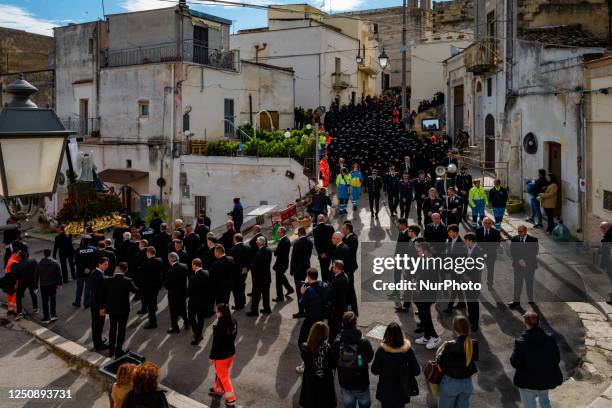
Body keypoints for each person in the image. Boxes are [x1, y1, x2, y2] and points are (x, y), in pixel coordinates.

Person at [510, 311, 563, 408]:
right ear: (538, 322)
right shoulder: (550, 338)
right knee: (545, 402)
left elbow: (514, 362)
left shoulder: (520, 342)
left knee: (529, 405)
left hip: (527, 381)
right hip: (546, 379)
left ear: (525, 323)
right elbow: (557, 358)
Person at [371, 322, 421, 408]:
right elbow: (417, 371)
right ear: (400, 335)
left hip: (386, 391)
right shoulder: (408, 351)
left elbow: (374, 370)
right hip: (402, 392)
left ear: (386, 334)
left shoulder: (381, 351)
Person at [332, 312, 374, 408]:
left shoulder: (337, 342)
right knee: (365, 405)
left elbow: (334, 358)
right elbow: (369, 358)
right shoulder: (363, 342)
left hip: (345, 381)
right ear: (355, 324)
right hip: (361, 382)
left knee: (349, 405)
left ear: (342, 324)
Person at [438, 315, 479, 408]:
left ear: (455, 328)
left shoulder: (450, 345)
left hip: (451, 382)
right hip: (467, 382)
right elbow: (475, 358)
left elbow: (441, 362)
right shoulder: (474, 343)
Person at [102, 262, 139, 358]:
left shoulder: (108, 280)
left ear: (117, 268)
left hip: (112, 309)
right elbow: (136, 291)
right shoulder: (128, 281)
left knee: (112, 329)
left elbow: (104, 294)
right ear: (126, 270)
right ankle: (118, 352)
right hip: (123, 309)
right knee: (121, 330)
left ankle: (111, 350)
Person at [299, 322, 337, 408]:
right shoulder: (327, 348)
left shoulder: (304, 347)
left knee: (311, 401)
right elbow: (333, 364)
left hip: (310, 380)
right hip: (325, 381)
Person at [209, 303, 239, 406]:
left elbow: (215, 344)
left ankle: (231, 399)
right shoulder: (233, 322)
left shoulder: (219, 327)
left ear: (220, 313)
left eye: (217, 311)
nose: (216, 313)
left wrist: (212, 357)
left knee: (224, 377)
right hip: (231, 353)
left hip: (221, 356)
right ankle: (218, 389)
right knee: (221, 373)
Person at [508, 225, 539, 308]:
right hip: (518, 266)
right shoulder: (515, 239)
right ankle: (516, 301)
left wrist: (526, 261)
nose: (519, 233)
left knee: (529, 283)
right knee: (517, 284)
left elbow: (534, 252)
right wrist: (519, 260)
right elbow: (512, 251)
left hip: (529, 266)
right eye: (518, 231)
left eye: (521, 231)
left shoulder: (533, 240)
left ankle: (530, 299)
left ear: (525, 231)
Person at [188, 258, 213, 345]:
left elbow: (189, 292)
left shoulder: (193, 278)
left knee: (191, 317)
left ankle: (197, 335)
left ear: (195, 265)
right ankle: (199, 334)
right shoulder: (207, 273)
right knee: (201, 318)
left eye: (192, 265)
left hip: (194, 302)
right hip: (204, 301)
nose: (192, 266)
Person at [138, 247, 164, 329]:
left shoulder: (145, 263)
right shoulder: (160, 260)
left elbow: (142, 276)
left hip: (148, 287)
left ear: (148, 253)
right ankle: (155, 306)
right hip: (156, 285)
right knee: (154, 299)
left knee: (150, 305)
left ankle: (153, 322)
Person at [463, 233, 484, 331]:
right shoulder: (466, 249)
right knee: (469, 300)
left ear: (471, 241)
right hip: (465, 280)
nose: (464, 242)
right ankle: (470, 317)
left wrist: (469, 277)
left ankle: (474, 321)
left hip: (474, 281)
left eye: (466, 240)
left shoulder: (479, 251)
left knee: (474, 301)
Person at [247, 236, 272, 316]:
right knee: (265, 294)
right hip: (267, 277)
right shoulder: (268, 250)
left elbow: (255, 267)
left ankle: (254, 311)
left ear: (259, 243)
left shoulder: (258, 254)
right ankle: (267, 308)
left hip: (259, 279)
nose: (256, 243)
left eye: (257, 241)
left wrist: (249, 266)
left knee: (256, 295)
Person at [291, 226, 313, 318]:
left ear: (299, 233)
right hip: (307, 268)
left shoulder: (297, 243)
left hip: (298, 270)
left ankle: (301, 311)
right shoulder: (310, 242)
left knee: (299, 291)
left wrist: (292, 270)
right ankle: (308, 308)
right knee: (306, 288)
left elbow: (294, 258)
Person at [164, 252, 189, 333]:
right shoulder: (185, 266)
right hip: (183, 292)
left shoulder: (170, 271)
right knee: (183, 308)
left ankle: (175, 328)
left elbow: (167, 285)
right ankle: (186, 323)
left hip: (173, 295)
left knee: (173, 312)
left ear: (170, 260)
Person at [36, 249, 63, 324]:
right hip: (52, 284)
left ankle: (46, 317)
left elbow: (36, 276)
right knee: (52, 299)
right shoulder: (55, 263)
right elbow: (59, 274)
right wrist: (59, 284)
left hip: (43, 285)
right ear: (50, 254)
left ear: (44, 254)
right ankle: (53, 314)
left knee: (45, 301)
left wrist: (35, 286)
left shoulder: (39, 264)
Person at [476, 217, 501, 289]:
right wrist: (482, 250)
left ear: (491, 224)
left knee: (490, 270)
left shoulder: (496, 232)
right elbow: (477, 242)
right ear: (483, 223)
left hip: (491, 254)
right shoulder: (478, 230)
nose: (487, 225)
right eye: (485, 223)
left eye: (489, 223)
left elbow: (497, 244)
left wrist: (488, 250)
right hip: (480, 253)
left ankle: (490, 283)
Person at [90, 257, 109, 351]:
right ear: (100, 264)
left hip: (94, 303)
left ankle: (98, 340)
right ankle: (98, 345)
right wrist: (102, 307)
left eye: (107, 264)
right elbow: (100, 294)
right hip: (99, 306)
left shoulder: (95, 272)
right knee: (98, 324)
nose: (107, 266)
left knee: (96, 323)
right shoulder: (99, 276)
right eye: (105, 264)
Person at [328, 260, 350, 341]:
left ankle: (332, 342)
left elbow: (331, 294)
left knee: (334, 327)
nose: (332, 268)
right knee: (338, 325)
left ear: (337, 268)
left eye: (333, 267)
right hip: (342, 304)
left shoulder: (337, 280)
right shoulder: (344, 275)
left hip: (336, 307)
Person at [73, 236, 97, 308]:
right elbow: (95, 260)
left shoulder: (78, 250)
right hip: (90, 272)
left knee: (79, 288)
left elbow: (76, 262)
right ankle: (86, 303)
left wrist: (83, 269)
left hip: (80, 272)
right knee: (88, 288)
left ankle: (77, 302)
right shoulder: (94, 249)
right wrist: (89, 268)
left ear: (82, 241)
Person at [230, 234, 252, 311]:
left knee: (236, 289)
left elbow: (234, 263)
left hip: (236, 273)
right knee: (242, 285)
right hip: (245, 271)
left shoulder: (233, 250)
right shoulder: (248, 247)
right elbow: (250, 259)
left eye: (233, 239)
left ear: (235, 239)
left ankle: (238, 305)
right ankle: (243, 301)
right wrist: (246, 268)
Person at [13, 251, 38, 319]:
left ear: (20, 257)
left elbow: (15, 277)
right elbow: (36, 270)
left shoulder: (17, 266)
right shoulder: (33, 261)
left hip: (22, 282)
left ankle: (19, 312)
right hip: (31, 281)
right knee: (33, 293)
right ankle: (35, 308)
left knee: (18, 297)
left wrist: (15, 285)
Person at [342, 223, 359, 316]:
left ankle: (354, 310)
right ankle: (349, 306)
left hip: (349, 268)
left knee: (350, 289)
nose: (342, 230)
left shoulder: (351, 240)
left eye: (343, 228)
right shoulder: (351, 236)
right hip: (349, 267)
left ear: (348, 229)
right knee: (348, 289)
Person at [273, 227, 294, 302]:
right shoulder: (286, 240)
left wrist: (276, 251)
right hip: (283, 263)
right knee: (282, 278)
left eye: (279, 232)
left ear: (282, 233)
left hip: (281, 264)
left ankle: (280, 297)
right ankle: (290, 289)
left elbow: (277, 253)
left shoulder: (282, 242)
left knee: (278, 281)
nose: (278, 233)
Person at [313, 215, 334, 282]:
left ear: (317, 220)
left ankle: (325, 283)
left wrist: (321, 253)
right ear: (324, 220)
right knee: (328, 267)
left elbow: (316, 243)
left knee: (323, 269)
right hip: (330, 252)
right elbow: (333, 240)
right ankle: (331, 279)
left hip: (322, 255)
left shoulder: (315, 229)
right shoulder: (330, 227)